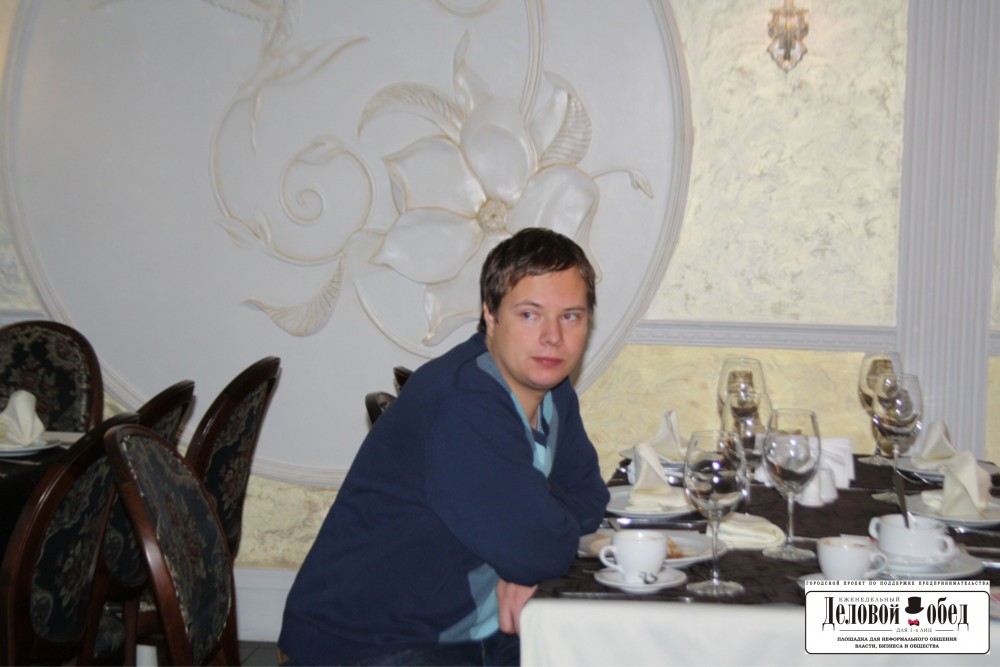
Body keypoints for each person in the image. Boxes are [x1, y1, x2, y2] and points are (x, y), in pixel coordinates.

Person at [278, 227, 610, 666]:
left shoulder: (552, 391)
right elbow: (538, 548)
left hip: (466, 627)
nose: (553, 337)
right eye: (530, 314)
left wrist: (528, 545)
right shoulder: (463, 403)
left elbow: (590, 496)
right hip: (371, 642)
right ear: (490, 315)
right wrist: (528, 549)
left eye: (570, 316)